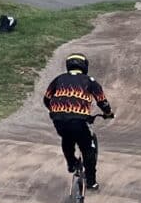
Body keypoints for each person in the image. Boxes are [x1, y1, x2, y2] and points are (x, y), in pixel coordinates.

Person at [44, 52, 114, 190]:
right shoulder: (90, 81)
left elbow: (46, 98)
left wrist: (55, 110)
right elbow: (102, 101)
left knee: (67, 138)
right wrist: (108, 113)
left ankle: (71, 163)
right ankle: (91, 182)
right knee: (88, 148)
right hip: (78, 119)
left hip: (58, 119)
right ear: (84, 66)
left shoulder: (59, 79)